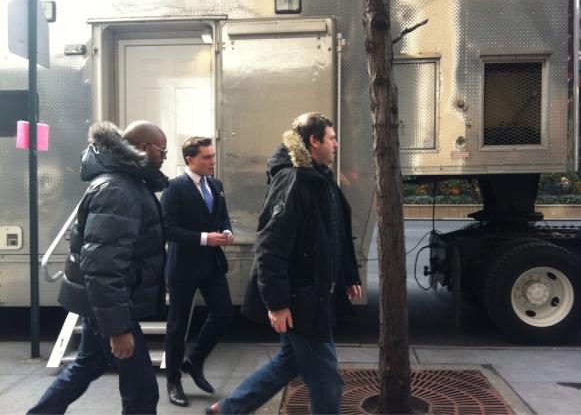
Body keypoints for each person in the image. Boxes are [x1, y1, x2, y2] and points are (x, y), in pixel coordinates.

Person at [207, 113, 362, 415]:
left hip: (314, 296)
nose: (336, 145)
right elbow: (270, 246)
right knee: (327, 381)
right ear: (314, 141)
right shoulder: (293, 181)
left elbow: (335, 233)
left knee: (288, 363)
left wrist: (348, 275)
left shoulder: (320, 178)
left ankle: (227, 410)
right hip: (302, 299)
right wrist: (277, 304)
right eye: (331, 139)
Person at [28, 120, 169, 414]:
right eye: (162, 151)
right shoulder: (118, 189)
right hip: (110, 306)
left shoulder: (126, 183)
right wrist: (118, 328)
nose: (164, 158)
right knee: (142, 391)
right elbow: (103, 266)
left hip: (102, 304)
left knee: (86, 366)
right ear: (144, 148)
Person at [161, 136, 234, 407]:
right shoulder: (174, 188)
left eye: (213, 156)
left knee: (224, 312)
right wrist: (205, 238)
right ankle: (173, 381)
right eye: (206, 157)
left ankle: (194, 361)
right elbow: (167, 229)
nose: (212, 161)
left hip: (211, 263)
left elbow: (222, 216)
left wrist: (226, 231)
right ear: (190, 159)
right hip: (183, 266)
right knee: (177, 326)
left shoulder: (216, 185)